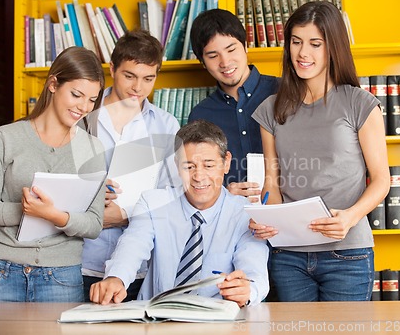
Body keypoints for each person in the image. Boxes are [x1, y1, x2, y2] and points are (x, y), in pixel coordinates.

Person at [251, 1, 390, 302]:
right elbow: (271, 185)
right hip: (288, 258)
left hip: (348, 255)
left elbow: (382, 180)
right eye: (296, 42)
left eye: (315, 44)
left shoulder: (360, 104)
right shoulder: (270, 111)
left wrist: (350, 217)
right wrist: (266, 219)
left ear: (333, 48)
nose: (303, 53)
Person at [0, 46, 107, 302]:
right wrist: (27, 210)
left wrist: (54, 215)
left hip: (61, 276)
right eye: (76, 95)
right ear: (53, 84)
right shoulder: (6, 137)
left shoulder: (92, 148)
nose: (84, 107)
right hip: (1, 272)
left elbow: (94, 224)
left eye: (92, 100)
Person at [90, 120, 269, 307]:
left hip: (216, 321)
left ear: (226, 163)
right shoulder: (153, 203)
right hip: (157, 320)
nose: (199, 177)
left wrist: (248, 290)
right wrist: (116, 278)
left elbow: (255, 273)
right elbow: (132, 246)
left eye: (208, 166)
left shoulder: (246, 214)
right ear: (177, 165)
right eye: (189, 167)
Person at [80, 29, 180, 302]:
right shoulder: (82, 115)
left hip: (137, 269)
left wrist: (123, 215)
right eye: (130, 76)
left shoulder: (166, 124)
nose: (138, 88)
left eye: (149, 78)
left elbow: (171, 195)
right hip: (76, 260)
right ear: (112, 69)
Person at [188, 8, 279, 202]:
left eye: (231, 49)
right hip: (231, 220)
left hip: (288, 211)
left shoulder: (283, 91)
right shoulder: (200, 115)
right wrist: (223, 194)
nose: (225, 62)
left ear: (246, 46)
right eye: (213, 56)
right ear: (202, 62)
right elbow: (197, 177)